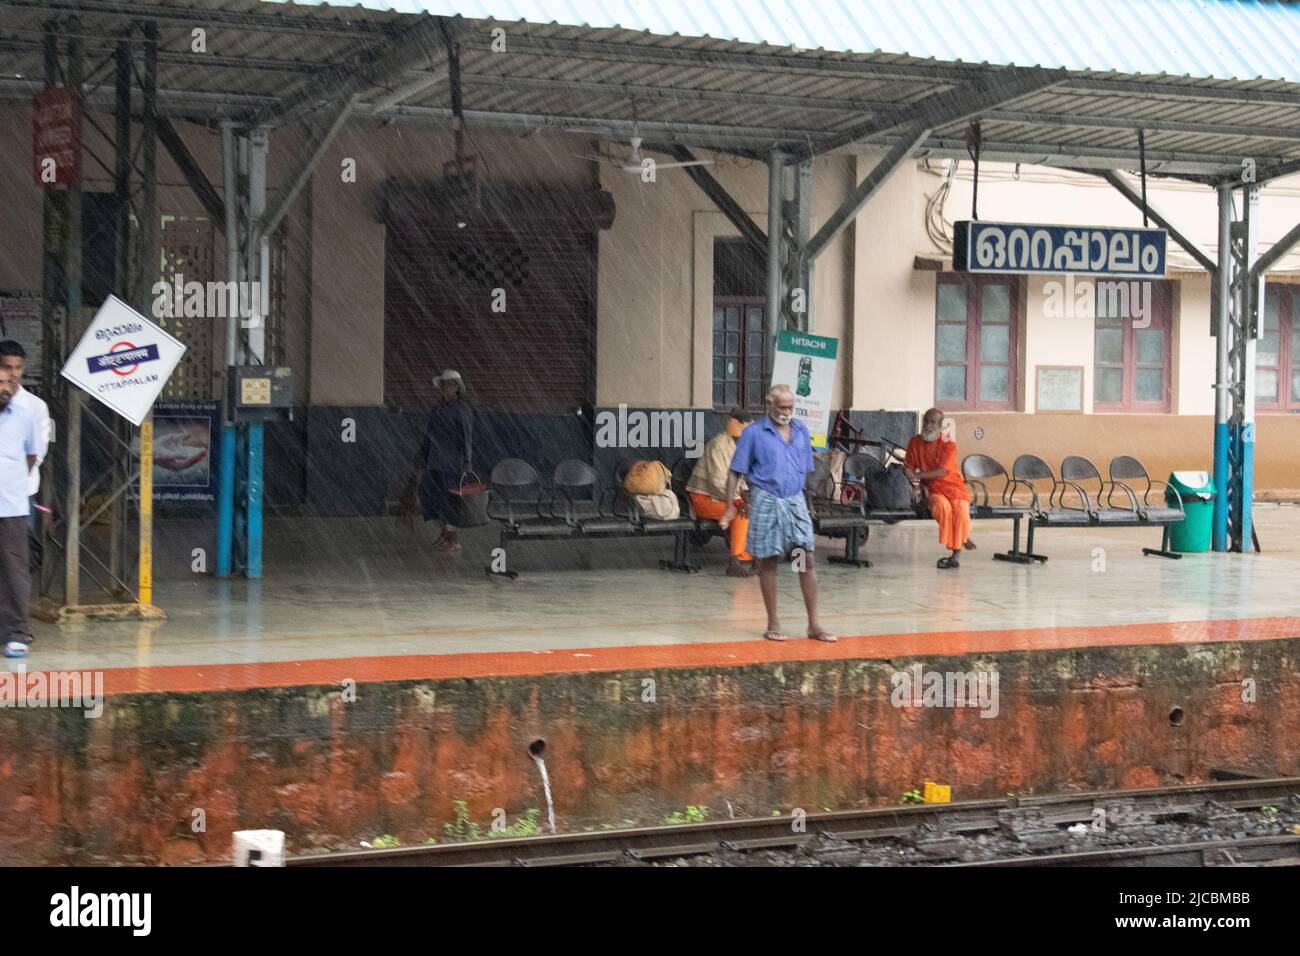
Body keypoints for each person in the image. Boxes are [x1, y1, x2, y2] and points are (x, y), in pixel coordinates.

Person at [721, 385, 835, 643]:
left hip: (794, 500)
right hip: (766, 499)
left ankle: (813, 624)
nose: (787, 412)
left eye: (790, 407)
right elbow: (734, 471)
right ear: (769, 406)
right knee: (769, 561)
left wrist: (809, 503)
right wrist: (729, 506)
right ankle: (773, 622)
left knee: (804, 559)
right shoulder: (753, 433)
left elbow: (805, 472)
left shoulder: (800, 430)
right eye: (782, 407)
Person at [904, 407, 976, 569]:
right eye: (926, 422)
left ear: (941, 426)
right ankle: (961, 537)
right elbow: (908, 466)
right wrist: (910, 475)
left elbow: (943, 471)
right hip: (933, 489)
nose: (928, 425)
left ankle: (955, 554)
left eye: (933, 422)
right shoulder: (914, 442)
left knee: (961, 510)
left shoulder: (948, 442)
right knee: (942, 508)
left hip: (954, 487)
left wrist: (917, 476)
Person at [686, 407, 754, 577]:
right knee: (740, 513)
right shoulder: (718, 444)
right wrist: (739, 501)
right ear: (737, 424)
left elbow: (739, 480)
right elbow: (718, 482)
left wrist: (747, 498)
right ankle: (734, 563)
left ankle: (752, 558)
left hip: (723, 498)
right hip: (703, 498)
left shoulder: (738, 445)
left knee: (753, 510)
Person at [0, 368, 38, 658]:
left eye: (8, 382)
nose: (4, 387)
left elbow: (31, 455)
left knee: (14, 571)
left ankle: (15, 633)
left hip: (10, 506)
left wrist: (12, 484)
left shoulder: (25, 416)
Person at [419, 369, 472, 553]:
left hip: (452, 465)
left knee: (451, 502)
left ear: (456, 387)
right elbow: (429, 435)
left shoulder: (461, 410)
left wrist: (466, 463)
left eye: (447, 385)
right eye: (441, 385)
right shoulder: (437, 409)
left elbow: (466, 438)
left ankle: (453, 538)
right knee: (437, 500)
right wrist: (423, 456)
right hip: (435, 462)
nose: (443, 388)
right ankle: (445, 534)